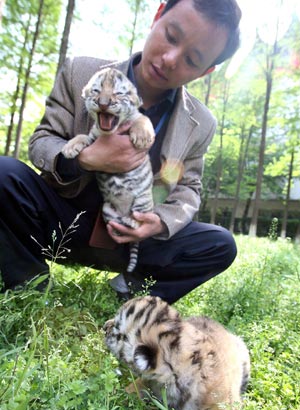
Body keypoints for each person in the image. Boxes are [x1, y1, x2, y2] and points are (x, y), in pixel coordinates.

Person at [0, 0, 241, 304]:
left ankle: (130, 296)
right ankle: (28, 287)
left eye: (191, 60)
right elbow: (43, 141)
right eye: (171, 35)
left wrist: (161, 221)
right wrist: (85, 158)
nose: (169, 59)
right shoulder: (80, 72)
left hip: (135, 241)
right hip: (62, 220)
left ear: (206, 71)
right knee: (3, 173)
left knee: (219, 244)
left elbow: (188, 188)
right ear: (158, 14)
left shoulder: (200, 124)